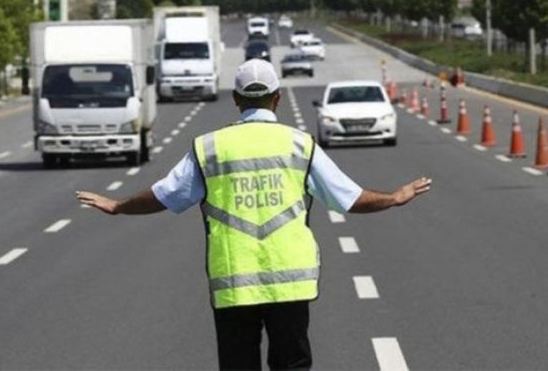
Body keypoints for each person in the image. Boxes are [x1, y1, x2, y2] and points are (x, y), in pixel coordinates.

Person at [76, 59, 432, 370]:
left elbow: (166, 195)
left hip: (234, 282)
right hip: (290, 283)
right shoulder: (299, 144)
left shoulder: (210, 148)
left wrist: (118, 206)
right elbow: (348, 198)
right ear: (277, 98)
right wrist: (394, 197)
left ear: (235, 100)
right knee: (292, 364)